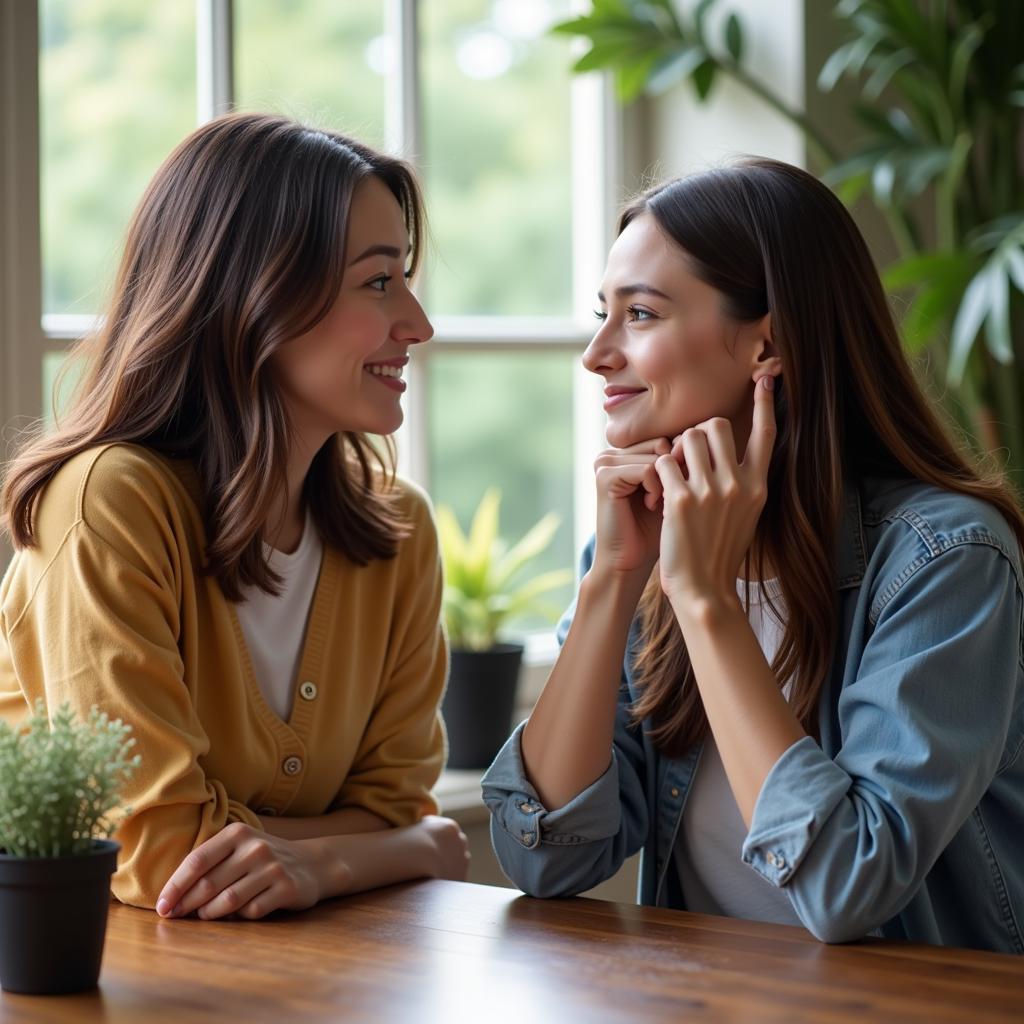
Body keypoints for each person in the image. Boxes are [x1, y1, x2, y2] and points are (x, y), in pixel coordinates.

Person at [482, 158, 1024, 952]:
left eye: (639, 314)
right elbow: (546, 857)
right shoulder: (641, 545)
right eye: (604, 313)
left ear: (767, 344)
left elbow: (848, 886)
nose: (597, 353)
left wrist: (704, 601)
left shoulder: (946, 560)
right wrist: (611, 582)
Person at [0, 112, 469, 919]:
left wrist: (331, 862)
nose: (417, 325)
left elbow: (398, 806)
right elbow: (163, 859)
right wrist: (399, 851)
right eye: (379, 281)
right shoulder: (109, 502)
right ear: (258, 293)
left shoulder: (400, 531)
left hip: (312, 981)